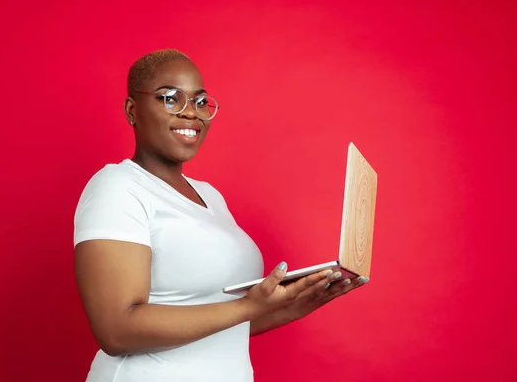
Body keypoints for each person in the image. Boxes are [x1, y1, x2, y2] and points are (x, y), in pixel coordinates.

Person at [73, 49, 369, 382]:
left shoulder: (210, 197)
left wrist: (298, 302)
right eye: (171, 99)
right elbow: (117, 330)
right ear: (132, 110)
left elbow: (222, 323)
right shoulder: (117, 186)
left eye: (200, 103)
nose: (191, 114)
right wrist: (247, 307)